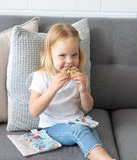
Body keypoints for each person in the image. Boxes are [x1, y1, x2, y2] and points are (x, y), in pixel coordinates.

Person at [29, 23, 116, 160]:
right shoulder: (41, 77)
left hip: (78, 121)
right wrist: (53, 88)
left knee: (92, 136)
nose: (69, 61)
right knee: (79, 131)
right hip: (52, 127)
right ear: (49, 54)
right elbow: (34, 111)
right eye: (62, 55)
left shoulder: (78, 76)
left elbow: (87, 107)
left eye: (74, 55)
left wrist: (83, 90)